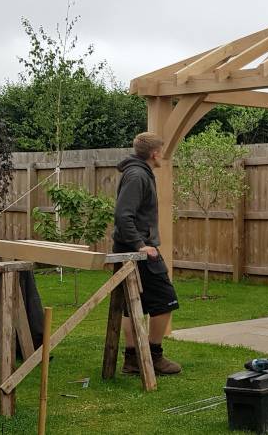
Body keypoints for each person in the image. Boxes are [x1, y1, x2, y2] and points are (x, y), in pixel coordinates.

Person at [113, 132, 182, 375]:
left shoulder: (137, 172)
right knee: (165, 299)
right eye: (161, 151)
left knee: (134, 305)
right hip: (137, 251)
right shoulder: (137, 175)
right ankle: (154, 356)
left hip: (129, 249)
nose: (162, 155)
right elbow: (123, 215)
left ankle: (132, 361)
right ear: (154, 153)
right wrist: (140, 245)